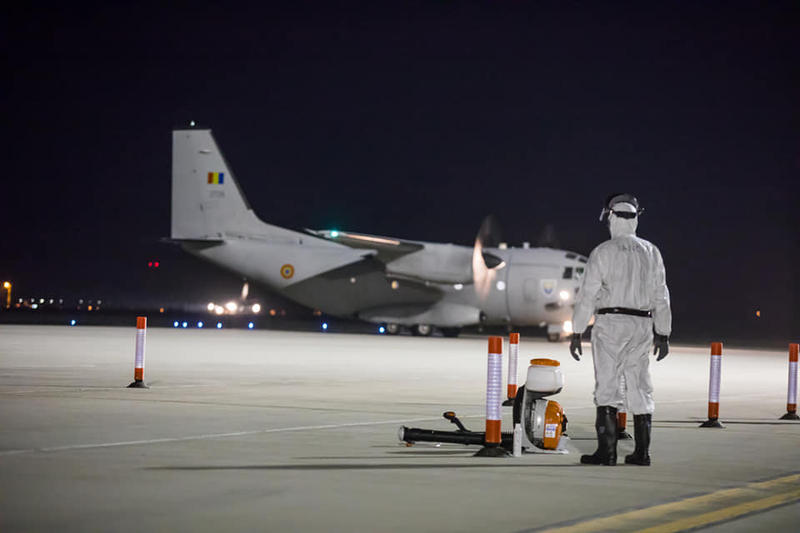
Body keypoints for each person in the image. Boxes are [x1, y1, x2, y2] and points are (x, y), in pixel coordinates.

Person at [569, 193, 671, 466]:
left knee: (608, 385)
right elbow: (661, 295)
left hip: (611, 324)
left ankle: (607, 452)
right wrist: (663, 332)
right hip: (642, 324)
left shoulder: (603, 252)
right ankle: (642, 453)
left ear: (612, 217)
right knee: (640, 385)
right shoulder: (652, 251)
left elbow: (587, 295)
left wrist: (577, 330)